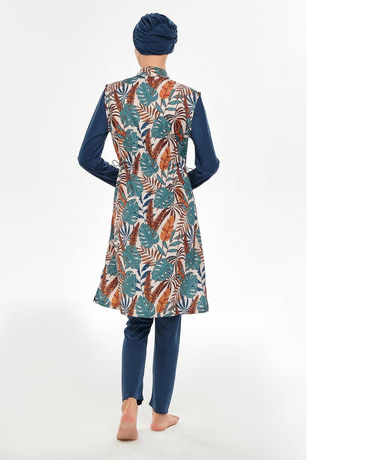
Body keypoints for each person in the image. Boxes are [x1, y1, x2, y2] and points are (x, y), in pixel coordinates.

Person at [78, 12, 220, 441]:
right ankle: (159, 414)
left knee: (137, 318)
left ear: (136, 49)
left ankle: (128, 405)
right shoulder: (187, 97)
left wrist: (127, 180)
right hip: (174, 217)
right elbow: (209, 164)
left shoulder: (114, 94)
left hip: (132, 217)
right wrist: (176, 185)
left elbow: (87, 157)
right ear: (170, 50)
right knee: (170, 317)